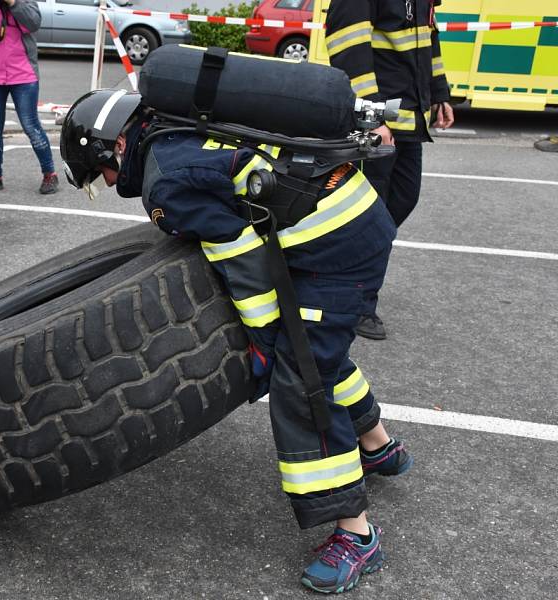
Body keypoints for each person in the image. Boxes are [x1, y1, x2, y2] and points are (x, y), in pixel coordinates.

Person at [60, 88, 413, 594]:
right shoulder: (173, 128)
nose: (109, 183)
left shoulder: (164, 183)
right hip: (346, 214)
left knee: (301, 382)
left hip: (336, 246)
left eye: (101, 174)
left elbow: (242, 258)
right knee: (314, 347)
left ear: (113, 147)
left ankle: (356, 534)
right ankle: (378, 446)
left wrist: (263, 341)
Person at [325, 0, 454, 340]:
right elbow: (348, 47)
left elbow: (430, 40)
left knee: (401, 199)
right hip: (378, 123)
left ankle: (339, 281)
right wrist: (373, 116)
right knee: (369, 213)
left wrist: (439, 93)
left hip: (409, 117)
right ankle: (354, 302)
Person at [0, 0, 58, 195]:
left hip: (22, 73)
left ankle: (50, 174)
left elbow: (33, 23)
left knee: (31, 126)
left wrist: (13, 3)